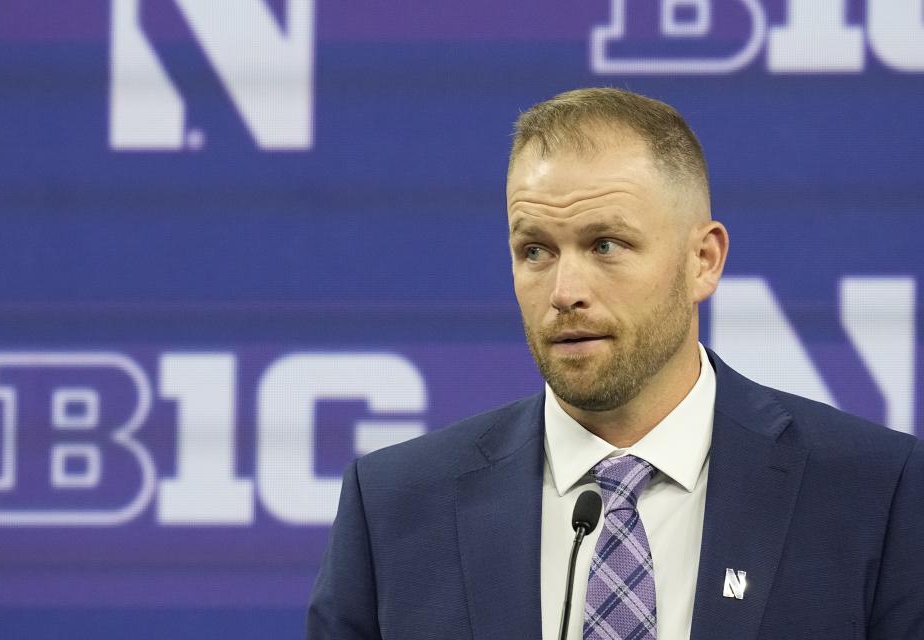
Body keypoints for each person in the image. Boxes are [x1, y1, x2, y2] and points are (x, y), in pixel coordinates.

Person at [306, 88, 924, 639]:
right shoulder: (396, 507)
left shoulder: (876, 491)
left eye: (606, 245)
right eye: (535, 250)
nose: (564, 291)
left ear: (703, 260)